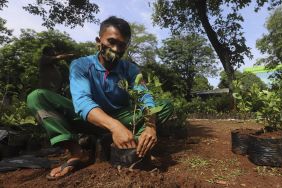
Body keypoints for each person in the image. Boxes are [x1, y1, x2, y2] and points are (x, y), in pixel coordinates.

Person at [27, 16, 173, 180]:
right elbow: (82, 102)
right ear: (99, 41)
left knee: (165, 105)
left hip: (122, 117)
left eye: (122, 45)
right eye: (111, 41)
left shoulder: (130, 69)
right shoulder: (81, 65)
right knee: (37, 97)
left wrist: (150, 126)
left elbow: (145, 97)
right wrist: (115, 126)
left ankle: (134, 150)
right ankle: (77, 152)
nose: (116, 49)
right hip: (88, 120)